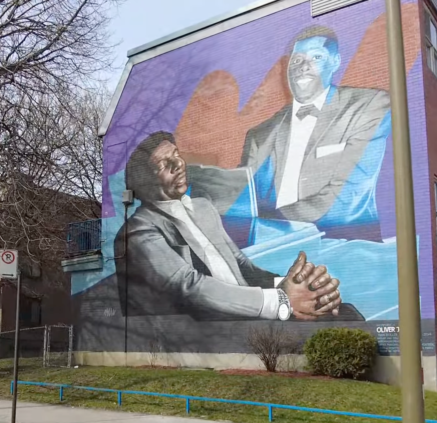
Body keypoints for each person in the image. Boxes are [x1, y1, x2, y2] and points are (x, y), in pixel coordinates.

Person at [118, 131, 363, 322]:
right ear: (145, 182)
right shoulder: (139, 231)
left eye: (177, 154)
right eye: (163, 164)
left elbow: (243, 266)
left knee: (342, 311)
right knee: (341, 321)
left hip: (250, 311)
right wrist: (282, 299)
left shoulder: (203, 208)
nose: (178, 164)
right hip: (211, 325)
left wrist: (297, 286)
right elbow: (190, 286)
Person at [239, 25, 391, 235]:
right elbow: (243, 201)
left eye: (316, 57)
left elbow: (348, 197)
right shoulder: (260, 134)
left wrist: (272, 223)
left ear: (335, 62)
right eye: (297, 60)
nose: (304, 66)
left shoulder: (368, 106)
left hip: (342, 247)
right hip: (267, 251)